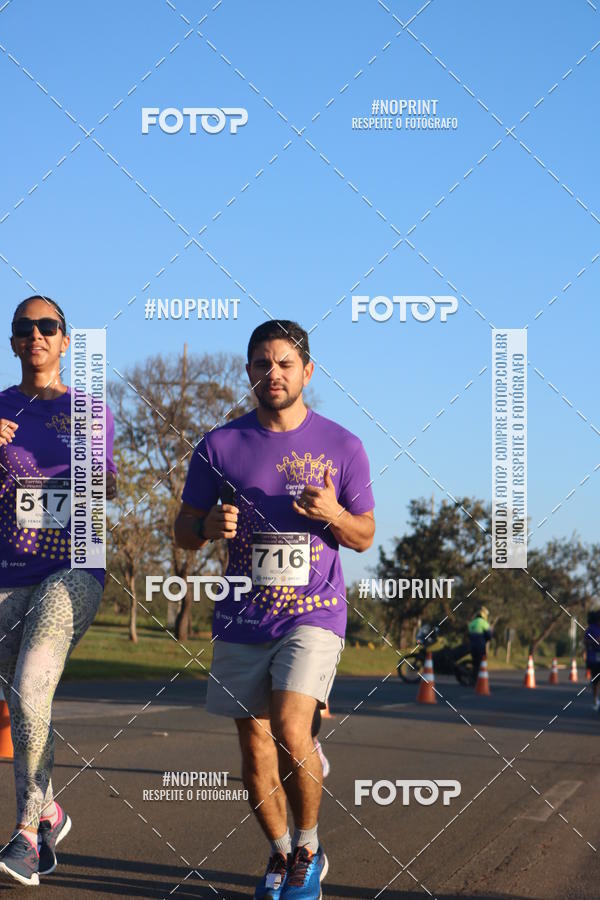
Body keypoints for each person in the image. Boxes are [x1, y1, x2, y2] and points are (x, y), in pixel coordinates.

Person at [175, 320, 375, 899]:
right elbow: (183, 529)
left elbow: (363, 536)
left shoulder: (343, 446)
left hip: (313, 613)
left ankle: (309, 848)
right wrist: (206, 526)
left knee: (291, 729)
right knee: (255, 747)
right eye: (262, 363)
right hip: (242, 616)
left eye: (285, 363)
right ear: (249, 372)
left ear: (307, 371)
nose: (274, 373)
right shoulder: (219, 446)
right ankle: (280, 852)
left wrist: (334, 513)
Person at [0, 296, 117, 886]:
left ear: (65, 342)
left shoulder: (89, 412)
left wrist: (26, 462)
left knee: (29, 681)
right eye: (25, 328)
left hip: (74, 571)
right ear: (14, 342)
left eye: (48, 327)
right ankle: (49, 810)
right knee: (27, 703)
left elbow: (103, 491)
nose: (36, 335)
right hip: (6, 577)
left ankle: (25, 835)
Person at [468, 606, 493, 680]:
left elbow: (469, 634)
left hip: (472, 646)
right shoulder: (484, 623)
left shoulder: (472, 623)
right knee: (481, 663)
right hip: (480, 646)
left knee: (475, 662)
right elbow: (489, 635)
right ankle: (480, 679)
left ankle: (473, 678)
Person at [584, 610, 600, 710]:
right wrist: (596, 641)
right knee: (596, 681)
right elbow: (585, 641)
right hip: (594, 659)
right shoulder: (591, 629)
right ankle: (595, 699)